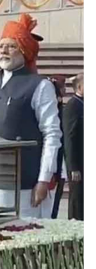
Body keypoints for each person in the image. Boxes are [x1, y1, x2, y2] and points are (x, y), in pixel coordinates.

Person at [0, 13, 62, 218]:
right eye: (0, 46)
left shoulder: (40, 85)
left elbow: (52, 135)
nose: (3, 50)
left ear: (24, 51)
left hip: (24, 182)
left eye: (11, 46)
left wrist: (43, 180)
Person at [64, 73, 84, 220]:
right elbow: (69, 137)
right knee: (78, 199)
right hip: (79, 162)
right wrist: (73, 166)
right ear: (80, 87)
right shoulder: (73, 105)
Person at [48, 75, 67, 219]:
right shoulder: (53, 111)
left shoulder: (61, 109)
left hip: (60, 164)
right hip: (53, 165)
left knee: (54, 206)